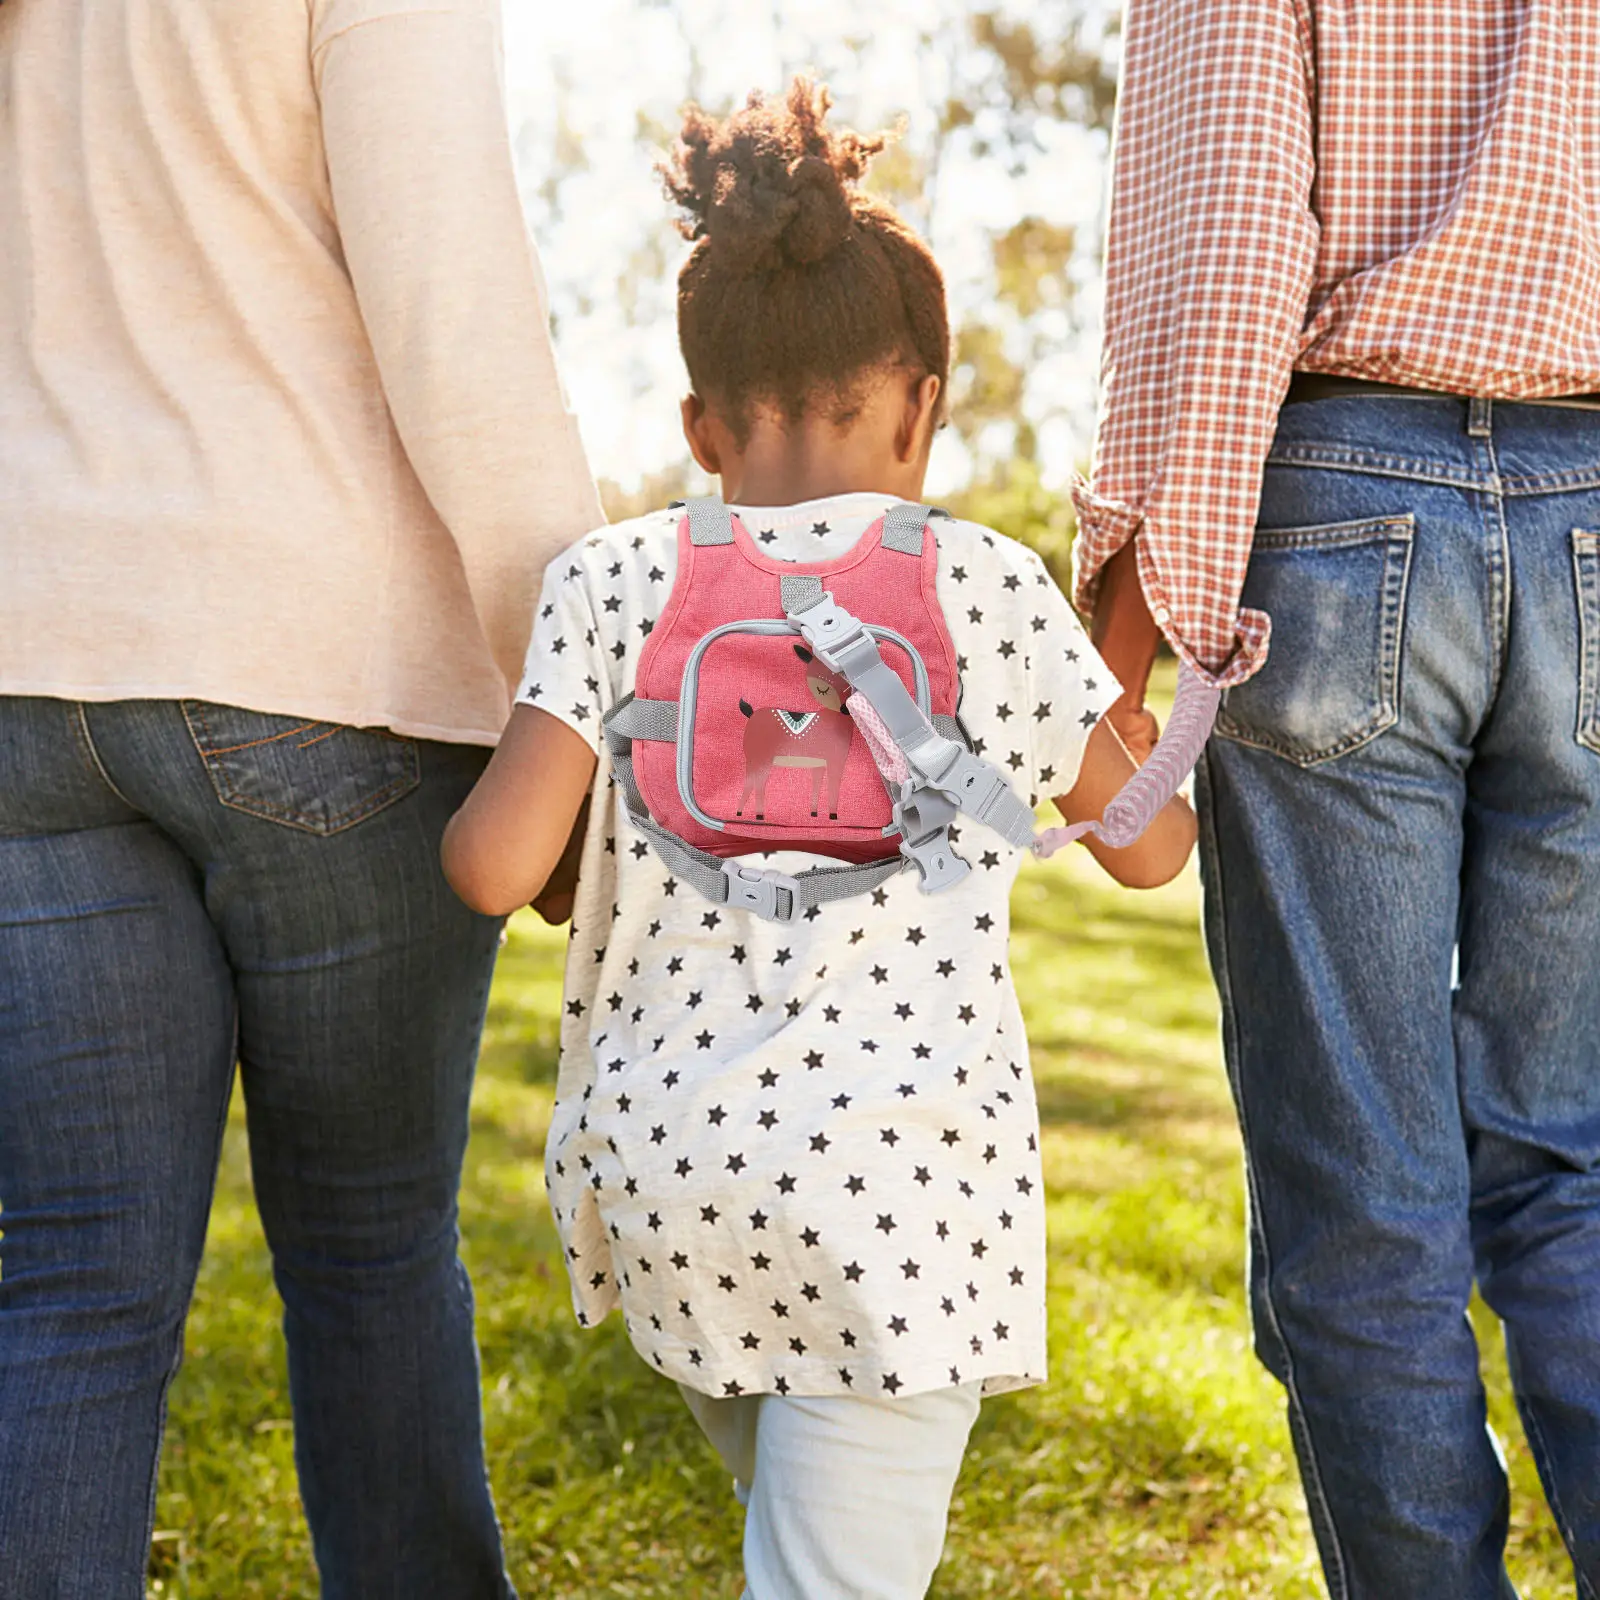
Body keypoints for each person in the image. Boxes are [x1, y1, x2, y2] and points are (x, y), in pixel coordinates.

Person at [441, 80, 1196, 1600]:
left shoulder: (610, 579)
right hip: (902, 1207)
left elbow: (489, 869)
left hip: (676, 1184)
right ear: (923, 402)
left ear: (701, 424)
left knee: (802, 1534)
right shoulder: (985, 586)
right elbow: (1149, 844)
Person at [0, 0, 601, 1594]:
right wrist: (573, 689)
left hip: (31, 668)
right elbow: (455, 325)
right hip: (315, 667)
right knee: (370, 1258)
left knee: (72, 1287)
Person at [1076, 3, 1600, 1595]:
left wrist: (1113, 612)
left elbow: (1230, 223)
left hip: (1343, 503)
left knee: (1364, 1200)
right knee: (1575, 1168)